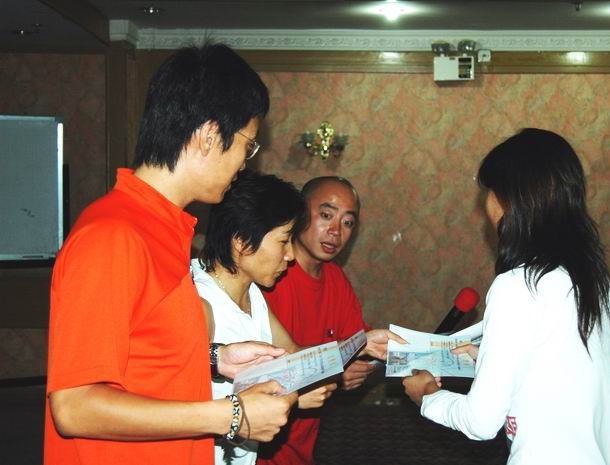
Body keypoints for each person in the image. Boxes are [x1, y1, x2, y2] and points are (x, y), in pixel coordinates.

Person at [45, 43, 297, 465]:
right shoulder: (113, 236)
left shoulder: (163, 229)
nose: (244, 164)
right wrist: (231, 415)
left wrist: (215, 358)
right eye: (247, 146)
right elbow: (75, 406)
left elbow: (140, 354)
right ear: (209, 136)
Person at [403, 128, 610, 465]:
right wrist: (485, 358)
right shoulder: (596, 283)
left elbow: (480, 422)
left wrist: (427, 395)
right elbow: (565, 376)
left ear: (509, 198)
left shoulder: (519, 285)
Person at [192, 170, 338, 464]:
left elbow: (291, 354)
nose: (290, 256)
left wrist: (357, 347)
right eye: (283, 241)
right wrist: (292, 396)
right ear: (242, 242)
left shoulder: (251, 291)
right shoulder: (198, 301)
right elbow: (183, 414)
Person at [258, 176, 403, 465]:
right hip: (257, 443)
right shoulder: (268, 277)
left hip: (302, 447)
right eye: (326, 215)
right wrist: (336, 368)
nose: (336, 231)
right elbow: (262, 370)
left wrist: (359, 367)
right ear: (300, 212)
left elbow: (358, 347)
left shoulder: (335, 278)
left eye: (348, 222)